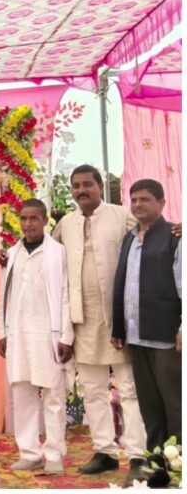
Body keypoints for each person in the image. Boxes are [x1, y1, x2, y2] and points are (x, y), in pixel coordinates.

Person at [49, 166, 148, 480]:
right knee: (92, 390)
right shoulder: (66, 223)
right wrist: (9, 256)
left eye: (87, 184)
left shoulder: (121, 216)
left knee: (129, 389)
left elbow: (150, 230)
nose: (81, 190)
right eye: (76, 186)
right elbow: (47, 255)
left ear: (100, 186)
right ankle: (105, 451)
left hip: (118, 319)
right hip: (83, 320)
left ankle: (138, 455)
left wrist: (175, 230)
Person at [0, 199, 73, 475]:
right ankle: (29, 452)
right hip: (17, 334)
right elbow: (3, 295)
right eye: (23, 218)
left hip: (48, 335)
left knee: (53, 397)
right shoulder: (11, 253)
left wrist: (66, 336)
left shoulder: (58, 253)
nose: (28, 224)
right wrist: (2, 332)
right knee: (22, 394)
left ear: (44, 220)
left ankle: (54, 454)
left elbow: (65, 295)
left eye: (33, 218)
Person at [112, 179, 181, 452]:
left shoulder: (175, 237)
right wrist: (119, 328)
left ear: (161, 203)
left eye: (145, 199)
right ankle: (157, 461)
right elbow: (122, 283)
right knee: (149, 406)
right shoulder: (129, 238)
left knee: (174, 404)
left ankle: (179, 465)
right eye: (134, 200)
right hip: (136, 337)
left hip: (166, 336)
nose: (138, 204)